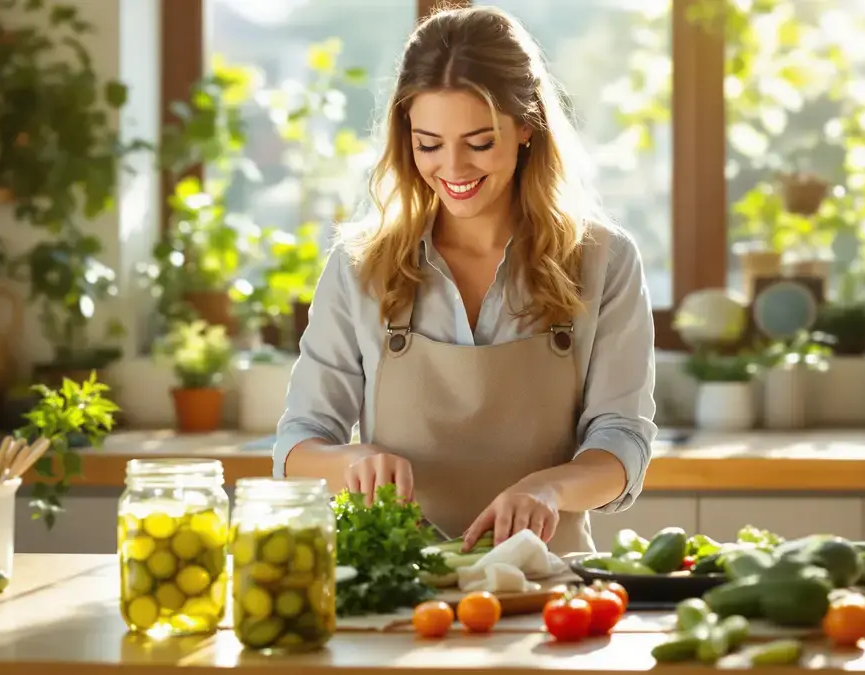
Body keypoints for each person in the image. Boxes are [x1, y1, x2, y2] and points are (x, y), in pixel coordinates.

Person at [271, 5, 657, 556]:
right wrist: (350, 460)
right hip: (397, 586)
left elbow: (623, 440)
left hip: (547, 589)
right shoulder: (360, 265)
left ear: (527, 126)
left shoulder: (603, 260)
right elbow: (297, 445)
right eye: (428, 144)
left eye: (478, 143)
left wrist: (547, 488)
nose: (452, 169)